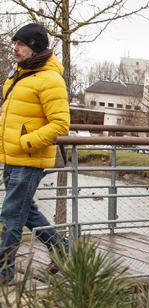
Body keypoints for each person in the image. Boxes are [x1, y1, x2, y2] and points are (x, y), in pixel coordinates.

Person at [0, 23, 70, 283]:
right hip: (10, 156)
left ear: (35, 47)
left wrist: (27, 142)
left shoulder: (50, 79)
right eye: (15, 43)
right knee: (24, 212)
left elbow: (60, 123)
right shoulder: (17, 74)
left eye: (21, 44)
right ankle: (62, 248)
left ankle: (4, 271)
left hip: (29, 158)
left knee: (10, 215)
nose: (16, 48)